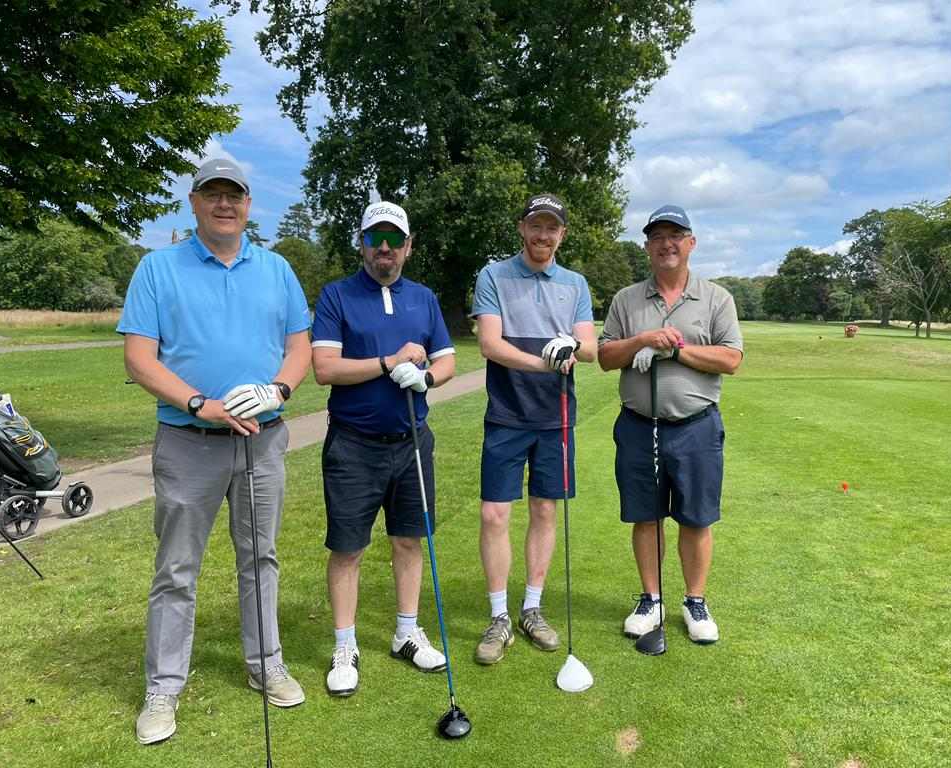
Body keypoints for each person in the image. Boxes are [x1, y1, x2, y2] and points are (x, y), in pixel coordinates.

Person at [119, 158, 312, 745]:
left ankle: (266, 663)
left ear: (249, 206)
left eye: (235, 195)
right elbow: (140, 358)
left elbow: (299, 347)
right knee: (177, 566)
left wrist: (278, 389)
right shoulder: (158, 268)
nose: (224, 204)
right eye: (213, 194)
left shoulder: (277, 269)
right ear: (195, 202)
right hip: (188, 440)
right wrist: (200, 402)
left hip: (263, 438)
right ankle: (164, 685)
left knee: (261, 557)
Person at [311, 201, 456, 696]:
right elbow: (325, 370)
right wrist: (388, 361)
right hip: (354, 444)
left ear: (409, 246)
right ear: (362, 244)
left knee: (409, 540)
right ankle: (344, 644)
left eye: (395, 239)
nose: (385, 249)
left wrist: (427, 377)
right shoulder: (337, 296)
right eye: (375, 239)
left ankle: (405, 632)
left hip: (412, 441)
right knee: (348, 548)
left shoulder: (424, 299)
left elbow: (448, 362)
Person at [598, 204, 743, 645]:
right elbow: (605, 357)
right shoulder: (627, 299)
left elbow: (731, 359)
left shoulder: (716, 297)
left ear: (691, 243)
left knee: (696, 518)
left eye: (675, 235)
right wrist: (643, 340)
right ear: (647, 246)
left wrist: (675, 352)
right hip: (639, 425)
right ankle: (651, 597)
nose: (667, 243)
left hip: (696, 426)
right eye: (658, 236)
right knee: (646, 516)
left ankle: (695, 601)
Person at [470, 193, 597, 665]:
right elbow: (489, 343)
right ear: (523, 228)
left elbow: (590, 349)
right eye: (536, 226)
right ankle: (499, 615)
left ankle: (532, 608)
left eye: (553, 228)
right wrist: (543, 364)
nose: (544, 235)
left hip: (555, 417)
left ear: (562, 234)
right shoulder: (494, 276)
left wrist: (569, 346)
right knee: (493, 515)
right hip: (506, 413)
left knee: (544, 510)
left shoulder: (575, 284)